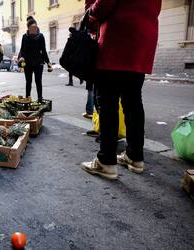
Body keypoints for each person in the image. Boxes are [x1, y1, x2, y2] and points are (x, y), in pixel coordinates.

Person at [81, 0, 162, 180]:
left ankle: (106, 162)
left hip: (117, 38)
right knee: (133, 101)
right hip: (143, 40)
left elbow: (103, 5)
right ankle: (135, 157)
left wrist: (91, 12)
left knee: (107, 102)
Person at [19, 16, 51, 102]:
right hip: (27, 63)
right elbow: (22, 49)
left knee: (38, 82)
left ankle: (40, 99)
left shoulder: (41, 36)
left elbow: (43, 50)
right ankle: (27, 99)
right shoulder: (25, 37)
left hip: (38, 63)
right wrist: (21, 58)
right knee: (28, 82)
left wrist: (48, 62)